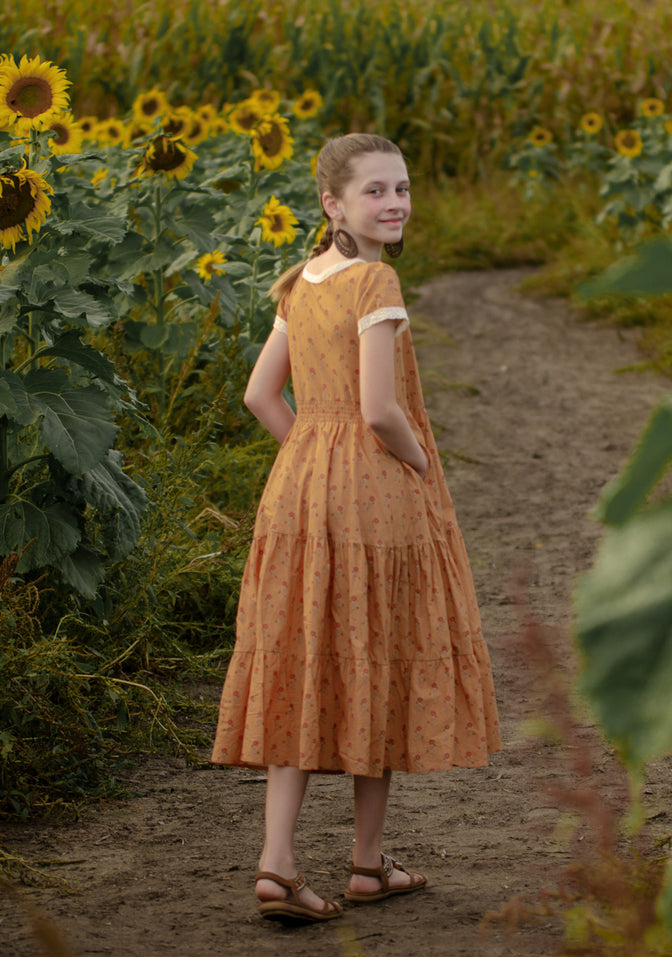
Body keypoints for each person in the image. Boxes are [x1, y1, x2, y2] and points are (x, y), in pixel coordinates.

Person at [211, 133, 502, 925]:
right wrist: (417, 464)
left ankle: (278, 862)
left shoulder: (302, 279)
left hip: (298, 490)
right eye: (375, 190)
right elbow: (379, 409)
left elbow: (260, 397)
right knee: (378, 657)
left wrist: (314, 455)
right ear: (333, 205)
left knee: (304, 659)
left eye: (401, 188)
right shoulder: (375, 279)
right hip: (373, 493)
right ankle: (365, 862)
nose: (394, 202)